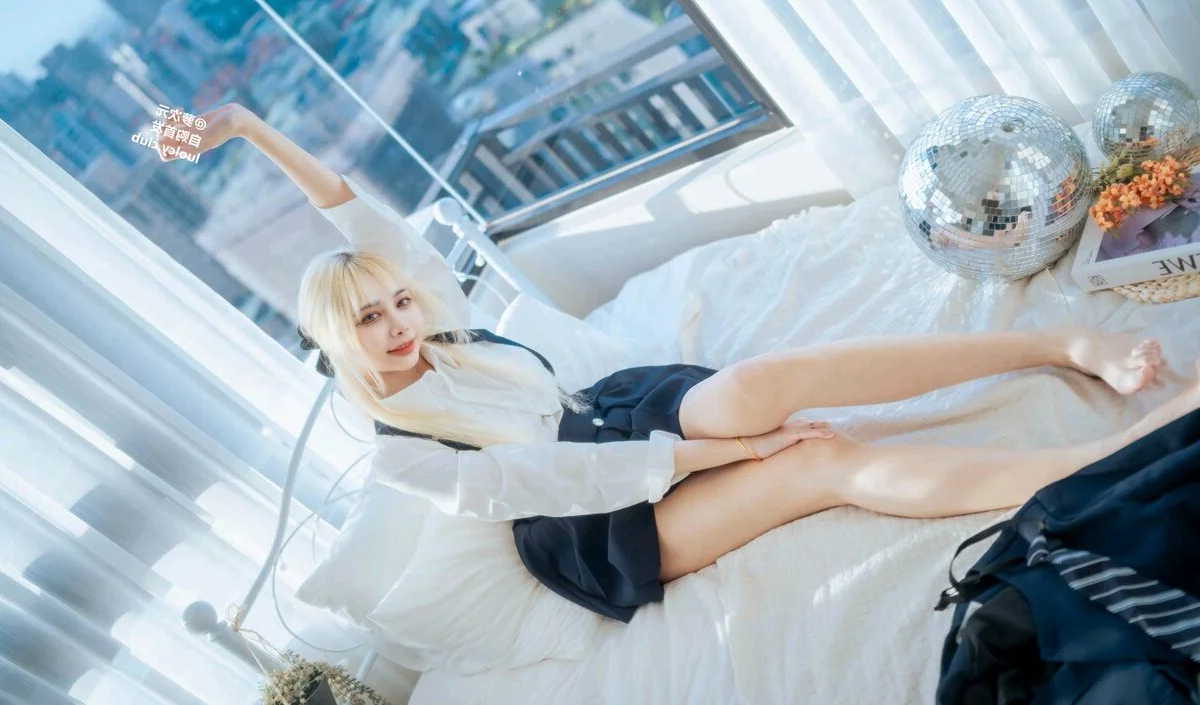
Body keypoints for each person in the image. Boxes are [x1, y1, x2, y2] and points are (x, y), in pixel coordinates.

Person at [157, 103, 1184, 624]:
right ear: (336, 340)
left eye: (397, 303)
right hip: (594, 523)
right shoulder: (400, 452)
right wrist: (738, 453)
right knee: (816, 461)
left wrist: (243, 128)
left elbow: (358, 214)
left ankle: (1059, 342)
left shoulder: (438, 324)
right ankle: (1102, 455)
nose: (397, 325)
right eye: (370, 320)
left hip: (612, 413)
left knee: (766, 381)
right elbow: (555, 480)